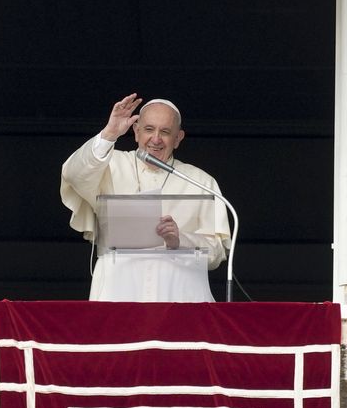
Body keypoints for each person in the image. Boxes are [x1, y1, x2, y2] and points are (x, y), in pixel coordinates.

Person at [60, 93, 231, 302]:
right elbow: (74, 174)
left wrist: (181, 240)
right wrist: (109, 134)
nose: (156, 139)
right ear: (136, 131)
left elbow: (217, 253)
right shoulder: (109, 164)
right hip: (119, 291)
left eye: (165, 132)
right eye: (149, 129)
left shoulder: (201, 181)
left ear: (178, 138)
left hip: (179, 293)